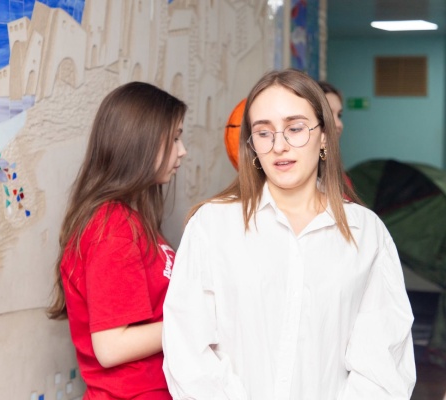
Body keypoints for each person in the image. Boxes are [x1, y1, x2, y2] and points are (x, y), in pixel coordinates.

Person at [162, 69, 416, 399]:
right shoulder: (212, 225)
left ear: (324, 136)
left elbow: (383, 362)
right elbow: (187, 350)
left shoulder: (366, 234)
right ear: (251, 145)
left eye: (295, 128)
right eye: (263, 133)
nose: (279, 146)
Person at [47, 81, 188, 399]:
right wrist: (198, 321)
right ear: (141, 141)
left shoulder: (129, 221)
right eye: (175, 138)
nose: (182, 150)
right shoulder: (113, 226)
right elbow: (111, 347)